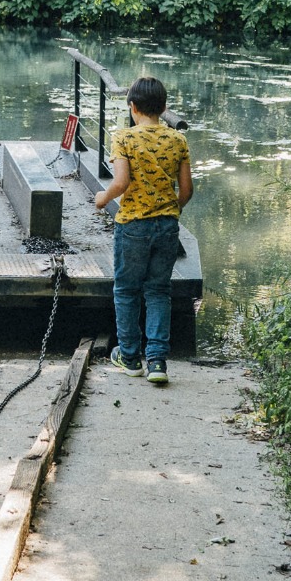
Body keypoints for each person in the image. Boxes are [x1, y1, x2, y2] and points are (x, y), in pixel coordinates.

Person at [92, 75, 193, 385]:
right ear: (163, 107)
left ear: (133, 107)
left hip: (133, 225)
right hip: (167, 226)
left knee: (126, 290)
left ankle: (130, 357)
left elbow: (121, 182)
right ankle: (158, 362)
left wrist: (103, 198)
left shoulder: (124, 137)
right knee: (159, 291)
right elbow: (187, 190)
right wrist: (171, 210)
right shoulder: (178, 140)